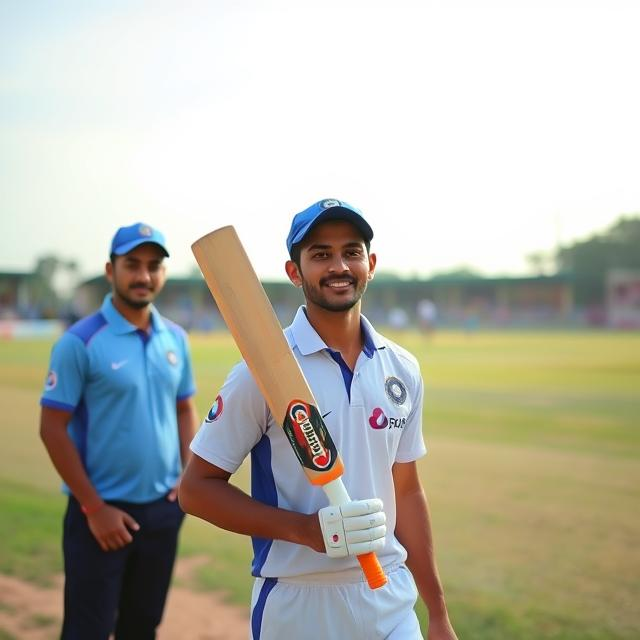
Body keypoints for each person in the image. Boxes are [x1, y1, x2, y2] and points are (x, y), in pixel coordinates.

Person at [179, 199, 457, 640]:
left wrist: (438, 613)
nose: (339, 266)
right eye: (321, 254)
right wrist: (305, 530)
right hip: (298, 602)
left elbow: (407, 490)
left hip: (389, 595)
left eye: (351, 251)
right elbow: (195, 491)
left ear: (371, 263)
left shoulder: (402, 368)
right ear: (295, 272)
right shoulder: (261, 371)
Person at [40, 222, 198, 640]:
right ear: (111, 271)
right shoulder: (80, 341)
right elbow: (52, 429)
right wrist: (94, 508)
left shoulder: (176, 339)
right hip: (99, 513)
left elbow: (185, 408)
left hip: (163, 511)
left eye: (153, 266)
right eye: (132, 265)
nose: (144, 276)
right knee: (86, 631)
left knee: (141, 627)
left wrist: (187, 475)